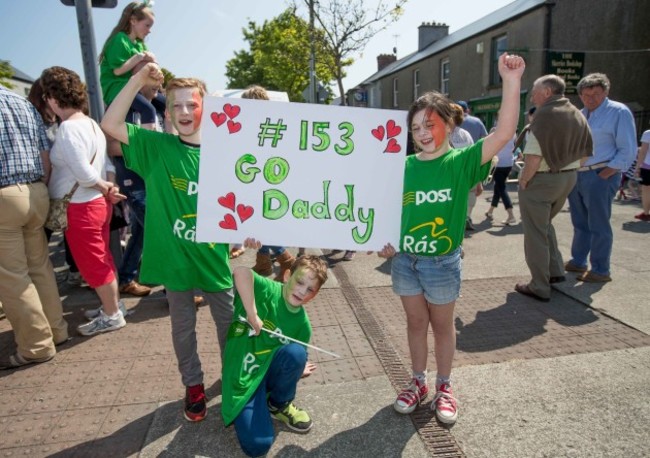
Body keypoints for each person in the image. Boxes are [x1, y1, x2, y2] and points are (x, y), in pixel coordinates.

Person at [377, 53, 526, 424]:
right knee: (414, 324)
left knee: (442, 326)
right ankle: (417, 382)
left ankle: (444, 386)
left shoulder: (462, 161)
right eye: (415, 129)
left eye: (429, 124)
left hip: (443, 263)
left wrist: (511, 81)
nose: (423, 133)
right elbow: (384, 210)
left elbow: (505, 132)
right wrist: (385, 240)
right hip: (405, 261)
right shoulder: (401, 166)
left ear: (447, 123)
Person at [101, 63, 234, 422]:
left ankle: (234, 376)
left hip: (214, 258)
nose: (184, 112)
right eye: (175, 106)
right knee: (182, 327)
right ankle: (193, 385)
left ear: (205, 107)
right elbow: (110, 125)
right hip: (174, 258)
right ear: (167, 112)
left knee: (229, 324)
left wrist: (243, 233)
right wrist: (137, 80)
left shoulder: (227, 153)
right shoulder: (156, 147)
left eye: (192, 104)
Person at [41, 67, 128, 336]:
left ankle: (112, 314)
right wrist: (108, 186)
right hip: (97, 204)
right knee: (103, 257)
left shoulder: (67, 129)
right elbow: (105, 164)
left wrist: (103, 186)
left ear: (54, 100)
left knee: (93, 262)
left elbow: (83, 170)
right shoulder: (91, 124)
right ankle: (113, 306)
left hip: (80, 206)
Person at [222, 246, 328, 457]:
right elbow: (241, 272)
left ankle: (278, 404)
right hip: (243, 373)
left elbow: (296, 354)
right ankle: (254, 402)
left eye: (310, 289)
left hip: (267, 374)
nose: (301, 291)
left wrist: (296, 366)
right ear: (287, 274)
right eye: (300, 282)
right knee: (258, 445)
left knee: (296, 354)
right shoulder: (268, 289)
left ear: (314, 295)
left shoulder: (303, 325)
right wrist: (252, 314)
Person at [0, 85, 69, 369]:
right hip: (36, 191)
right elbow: (45, 155)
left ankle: (36, 346)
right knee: (39, 266)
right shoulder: (20, 100)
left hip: (4, 194)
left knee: (13, 276)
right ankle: (57, 330)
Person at [515, 75, 593, 302]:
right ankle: (556, 271)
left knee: (535, 234)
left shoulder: (545, 115)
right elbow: (586, 152)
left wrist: (524, 180)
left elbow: (533, 156)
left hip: (542, 180)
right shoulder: (576, 113)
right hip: (568, 177)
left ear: (547, 92)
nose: (532, 95)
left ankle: (539, 285)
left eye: (534, 91)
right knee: (545, 225)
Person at [565, 73, 637, 282]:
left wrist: (607, 173)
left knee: (598, 224)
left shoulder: (618, 112)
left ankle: (601, 269)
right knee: (580, 222)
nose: (590, 98)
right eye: (586, 95)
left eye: (596, 94)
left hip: (601, 173)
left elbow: (628, 149)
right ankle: (578, 261)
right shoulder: (580, 114)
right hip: (578, 174)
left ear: (606, 92)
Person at [106, 61, 162, 297]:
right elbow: (112, 147)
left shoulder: (154, 106)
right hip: (134, 182)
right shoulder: (125, 107)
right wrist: (146, 146)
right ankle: (174, 290)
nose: (159, 87)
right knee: (161, 233)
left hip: (149, 181)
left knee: (140, 232)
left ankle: (127, 277)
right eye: (155, 82)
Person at [27, 78, 82, 286]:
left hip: (60, 189)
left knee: (65, 232)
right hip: (43, 188)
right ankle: (38, 280)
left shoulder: (61, 122)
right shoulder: (35, 121)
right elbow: (45, 159)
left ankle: (74, 270)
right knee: (41, 238)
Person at [240, 85, 297, 281]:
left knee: (262, 222)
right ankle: (264, 262)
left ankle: (285, 259)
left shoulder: (264, 125)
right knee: (260, 222)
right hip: (266, 180)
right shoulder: (269, 122)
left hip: (265, 181)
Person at [99, 1, 165, 130]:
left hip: (134, 87)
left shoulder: (139, 44)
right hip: (117, 90)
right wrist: (139, 57)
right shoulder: (120, 39)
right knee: (148, 110)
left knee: (168, 104)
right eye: (147, 25)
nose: (149, 31)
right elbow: (118, 71)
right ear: (133, 21)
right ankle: (147, 146)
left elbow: (148, 65)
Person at [449, 104, 482, 231]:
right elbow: (474, 158)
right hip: (466, 173)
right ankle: (466, 217)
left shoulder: (443, 134)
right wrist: (478, 180)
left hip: (452, 175)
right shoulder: (465, 134)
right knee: (469, 195)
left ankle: (461, 220)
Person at [485, 129, 517, 225]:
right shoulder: (512, 132)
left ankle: (511, 215)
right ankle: (490, 211)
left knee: (501, 188)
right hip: (509, 163)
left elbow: (489, 142)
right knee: (498, 186)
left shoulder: (496, 131)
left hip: (499, 164)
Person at [635, 129, 650, 220]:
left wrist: (637, 167)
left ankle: (646, 213)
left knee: (646, 191)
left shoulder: (648, 133)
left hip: (648, 166)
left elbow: (643, 152)